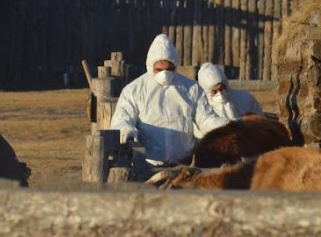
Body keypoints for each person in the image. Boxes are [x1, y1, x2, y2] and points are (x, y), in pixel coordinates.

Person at [110, 34, 228, 180]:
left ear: (176, 66)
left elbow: (205, 119)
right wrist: (126, 131)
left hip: (184, 166)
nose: (164, 73)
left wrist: (225, 127)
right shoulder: (134, 90)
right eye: (159, 69)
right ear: (150, 66)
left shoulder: (191, 89)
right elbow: (123, 118)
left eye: (169, 68)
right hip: (147, 165)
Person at [198, 62, 265, 121]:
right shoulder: (203, 109)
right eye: (214, 91)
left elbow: (262, 123)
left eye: (221, 88)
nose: (220, 94)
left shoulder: (246, 100)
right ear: (207, 92)